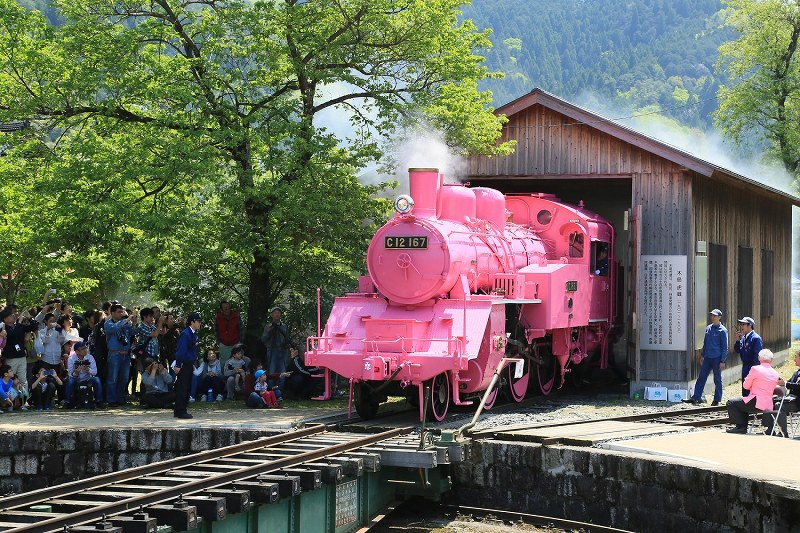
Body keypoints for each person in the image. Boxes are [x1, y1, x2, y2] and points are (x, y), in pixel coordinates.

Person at [726, 349, 780, 434]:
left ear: (759, 358)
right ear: (771, 360)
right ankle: (741, 428)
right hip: (768, 404)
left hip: (756, 402)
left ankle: (741, 427)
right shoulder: (776, 373)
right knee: (742, 403)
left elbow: (745, 386)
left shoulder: (755, 369)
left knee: (732, 403)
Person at [683, 309, 728, 406]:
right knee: (701, 377)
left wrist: (722, 360)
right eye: (711, 315)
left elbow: (725, 347)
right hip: (707, 357)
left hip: (717, 358)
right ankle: (696, 397)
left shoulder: (723, 330)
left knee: (717, 379)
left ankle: (717, 399)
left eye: (715, 316)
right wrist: (702, 355)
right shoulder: (708, 328)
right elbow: (705, 343)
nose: (712, 317)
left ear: (719, 317)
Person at [0, 306, 40, 396]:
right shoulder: (3, 328)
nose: (14, 315)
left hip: (21, 356)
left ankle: (24, 402)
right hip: (11, 358)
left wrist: (30, 317)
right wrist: (19, 322)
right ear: (5, 319)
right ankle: (10, 403)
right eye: (11, 315)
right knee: (10, 380)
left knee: (23, 380)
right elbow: (11, 334)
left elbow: (34, 326)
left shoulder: (19, 326)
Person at [104, 304, 136, 407]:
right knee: (112, 378)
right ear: (112, 313)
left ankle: (120, 398)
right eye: (119, 312)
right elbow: (115, 328)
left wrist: (134, 323)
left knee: (124, 378)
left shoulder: (125, 323)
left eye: (122, 312)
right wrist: (126, 320)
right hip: (114, 354)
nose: (121, 314)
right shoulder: (108, 323)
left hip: (125, 355)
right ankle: (111, 400)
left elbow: (133, 332)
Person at [763, 351, 800, 437]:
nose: (794, 359)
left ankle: (783, 432)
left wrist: (785, 383)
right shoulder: (797, 373)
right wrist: (781, 382)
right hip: (792, 399)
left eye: (796, 357)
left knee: (780, 406)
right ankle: (769, 429)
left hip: (797, 401)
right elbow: (789, 383)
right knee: (770, 401)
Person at [173, 312, 202, 419]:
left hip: (189, 364)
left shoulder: (193, 333)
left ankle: (180, 409)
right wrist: (178, 365)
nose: (200, 323)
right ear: (192, 321)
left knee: (186, 387)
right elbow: (181, 351)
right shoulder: (186, 334)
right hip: (184, 364)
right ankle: (181, 410)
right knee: (183, 387)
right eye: (198, 321)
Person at [64, 341, 103, 408]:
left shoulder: (90, 357)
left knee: (97, 380)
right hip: (76, 378)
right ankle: (68, 402)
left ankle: (99, 401)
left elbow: (95, 372)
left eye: (85, 348)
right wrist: (76, 372)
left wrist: (88, 369)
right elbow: (70, 374)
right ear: (77, 351)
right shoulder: (71, 359)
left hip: (87, 378)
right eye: (82, 349)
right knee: (70, 381)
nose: (85, 350)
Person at [261, 306, 294, 379]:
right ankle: (271, 387)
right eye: (275, 313)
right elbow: (263, 339)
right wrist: (270, 331)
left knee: (283, 370)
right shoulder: (268, 326)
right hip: (272, 350)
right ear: (272, 315)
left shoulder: (284, 326)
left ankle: (280, 388)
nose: (277, 315)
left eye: (278, 313)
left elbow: (287, 338)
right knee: (272, 369)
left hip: (283, 350)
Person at [734, 316, 762, 396]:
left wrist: (755, 369)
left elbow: (757, 355)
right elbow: (737, 350)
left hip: (752, 366)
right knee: (745, 388)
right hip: (745, 366)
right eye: (741, 324)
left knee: (752, 388)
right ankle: (745, 405)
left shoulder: (755, 338)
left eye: (744, 324)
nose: (742, 326)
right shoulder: (743, 338)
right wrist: (738, 340)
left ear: (750, 325)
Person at [215, 301, 244, 366]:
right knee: (224, 363)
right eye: (225, 308)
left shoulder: (236, 316)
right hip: (224, 345)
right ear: (221, 310)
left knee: (237, 362)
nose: (227, 310)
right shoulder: (218, 318)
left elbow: (241, 329)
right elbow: (216, 330)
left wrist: (240, 342)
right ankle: (224, 376)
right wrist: (218, 342)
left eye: (228, 308)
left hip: (235, 343)